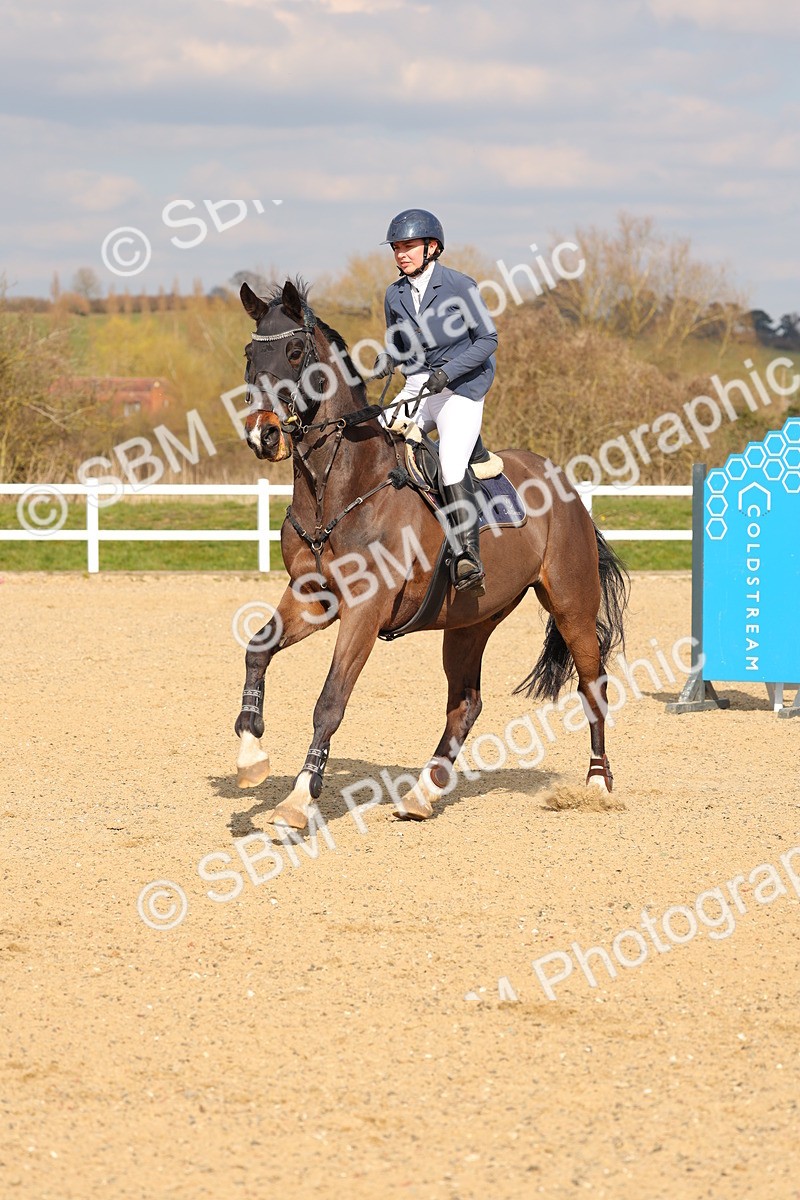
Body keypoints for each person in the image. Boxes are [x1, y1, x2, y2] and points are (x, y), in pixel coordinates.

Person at [372, 208, 498, 593]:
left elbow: (488, 341)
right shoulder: (394, 294)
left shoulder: (459, 285)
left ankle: (467, 555)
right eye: (396, 247)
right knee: (374, 440)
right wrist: (389, 357)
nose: (401, 254)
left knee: (449, 462)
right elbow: (400, 342)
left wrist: (450, 372)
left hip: (462, 387)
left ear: (432, 247)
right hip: (419, 384)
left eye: (408, 246)